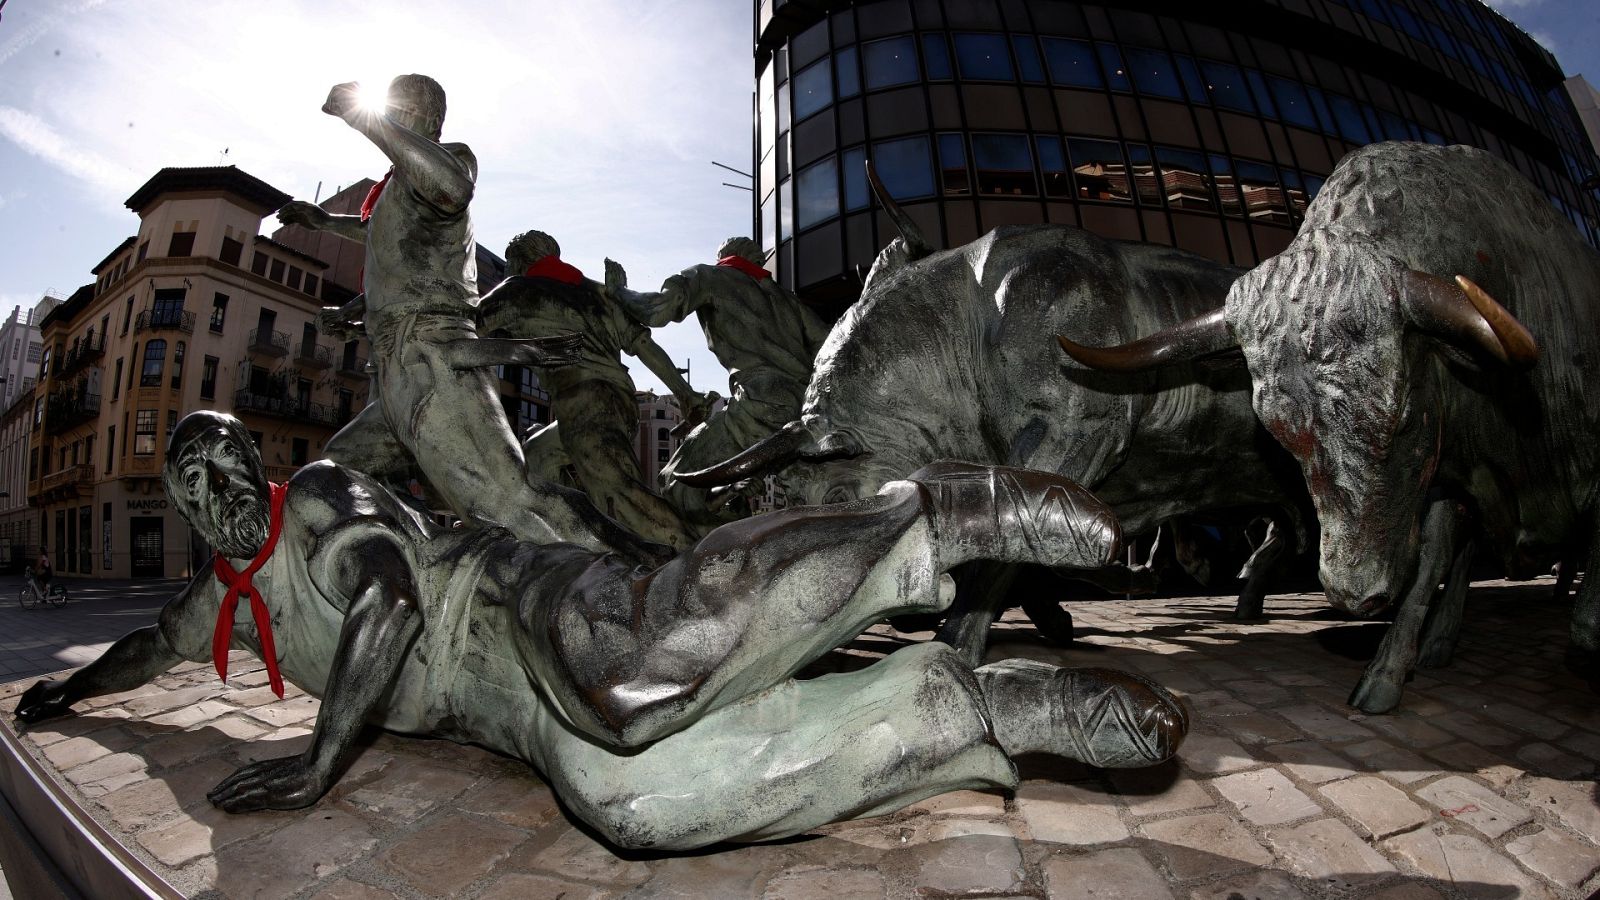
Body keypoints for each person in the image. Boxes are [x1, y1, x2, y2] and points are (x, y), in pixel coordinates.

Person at [15, 411, 1187, 851]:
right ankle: (981, 711)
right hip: (494, 711)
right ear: (178, 504)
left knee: (629, 676)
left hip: (501, 598)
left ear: (255, 469)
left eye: (229, 466)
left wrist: (325, 762)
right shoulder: (210, 599)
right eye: (196, 483)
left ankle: (932, 517)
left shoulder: (319, 496)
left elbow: (386, 601)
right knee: (636, 803)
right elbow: (145, 652)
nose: (221, 493)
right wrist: (62, 699)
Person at [276, 74, 657, 563]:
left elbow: (452, 189)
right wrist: (325, 226)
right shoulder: (396, 190)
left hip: (435, 358)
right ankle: (413, 564)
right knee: (337, 474)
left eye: (402, 109)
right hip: (396, 365)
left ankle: (625, 573)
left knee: (508, 504)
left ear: (429, 118)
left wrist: (365, 118)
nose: (394, 117)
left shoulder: (453, 158)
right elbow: (386, 244)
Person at [477, 231, 704, 549]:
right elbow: (644, 346)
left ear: (518, 261)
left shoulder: (518, 291)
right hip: (620, 403)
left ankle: (698, 555)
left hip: (585, 400)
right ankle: (573, 546)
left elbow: (467, 325)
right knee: (536, 463)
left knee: (618, 491)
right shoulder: (598, 292)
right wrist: (684, 392)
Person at [607, 237, 830, 530]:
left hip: (759, 403)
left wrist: (619, 291)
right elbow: (829, 346)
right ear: (758, 260)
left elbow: (656, 310)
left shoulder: (709, 276)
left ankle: (721, 560)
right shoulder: (787, 299)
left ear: (724, 256)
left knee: (677, 482)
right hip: (805, 409)